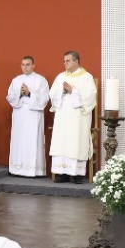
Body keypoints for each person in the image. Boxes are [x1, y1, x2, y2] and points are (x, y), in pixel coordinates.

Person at [47, 51, 97, 183]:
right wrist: (62, 92)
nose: (65, 63)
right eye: (64, 61)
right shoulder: (60, 77)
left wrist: (73, 91)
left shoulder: (86, 77)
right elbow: (52, 94)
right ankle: (62, 173)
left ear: (76, 61)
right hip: (62, 117)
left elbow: (91, 96)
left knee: (76, 141)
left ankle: (76, 174)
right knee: (62, 141)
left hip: (78, 118)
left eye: (68, 61)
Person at [4, 56, 49, 178]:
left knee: (32, 140)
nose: (25, 67)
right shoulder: (16, 80)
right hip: (19, 115)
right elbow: (9, 96)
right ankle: (17, 168)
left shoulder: (41, 80)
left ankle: (34, 170)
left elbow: (45, 98)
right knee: (19, 140)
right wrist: (19, 93)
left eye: (28, 64)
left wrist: (30, 94)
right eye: (23, 65)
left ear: (33, 65)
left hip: (34, 115)